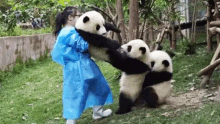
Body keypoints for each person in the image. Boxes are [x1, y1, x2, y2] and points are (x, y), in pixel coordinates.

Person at [51, 6, 113, 124]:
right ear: (70, 17)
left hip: (85, 65)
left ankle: (98, 112)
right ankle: (71, 120)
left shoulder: (70, 31)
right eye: (79, 16)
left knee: (99, 87)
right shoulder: (67, 32)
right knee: (75, 93)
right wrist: (95, 36)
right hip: (76, 68)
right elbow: (82, 45)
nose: (81, 18)